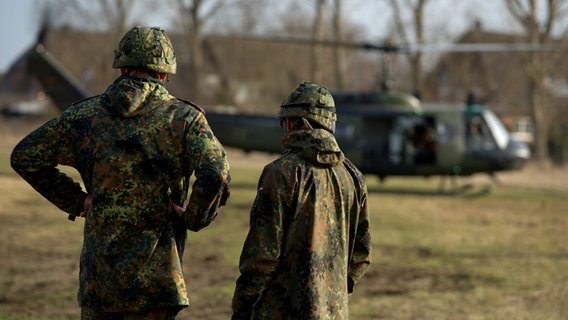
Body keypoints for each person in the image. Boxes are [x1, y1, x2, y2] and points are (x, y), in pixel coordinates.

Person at [11, 26, 230, 319]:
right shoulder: (185, 118)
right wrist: (194, 217)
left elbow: (25, 156)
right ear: (165, 73)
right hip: (157, 282)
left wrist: (76, 200)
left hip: (99, 280)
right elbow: (215, 173)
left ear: (122, 66)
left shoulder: (84, 116)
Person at [231, 81, 371, 320]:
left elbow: (262, 256)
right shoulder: (354, 177)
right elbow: (362, 253)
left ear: (296, 123)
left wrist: (243, 306)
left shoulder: (280, 173)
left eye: (285, 122)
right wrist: (332, 293)